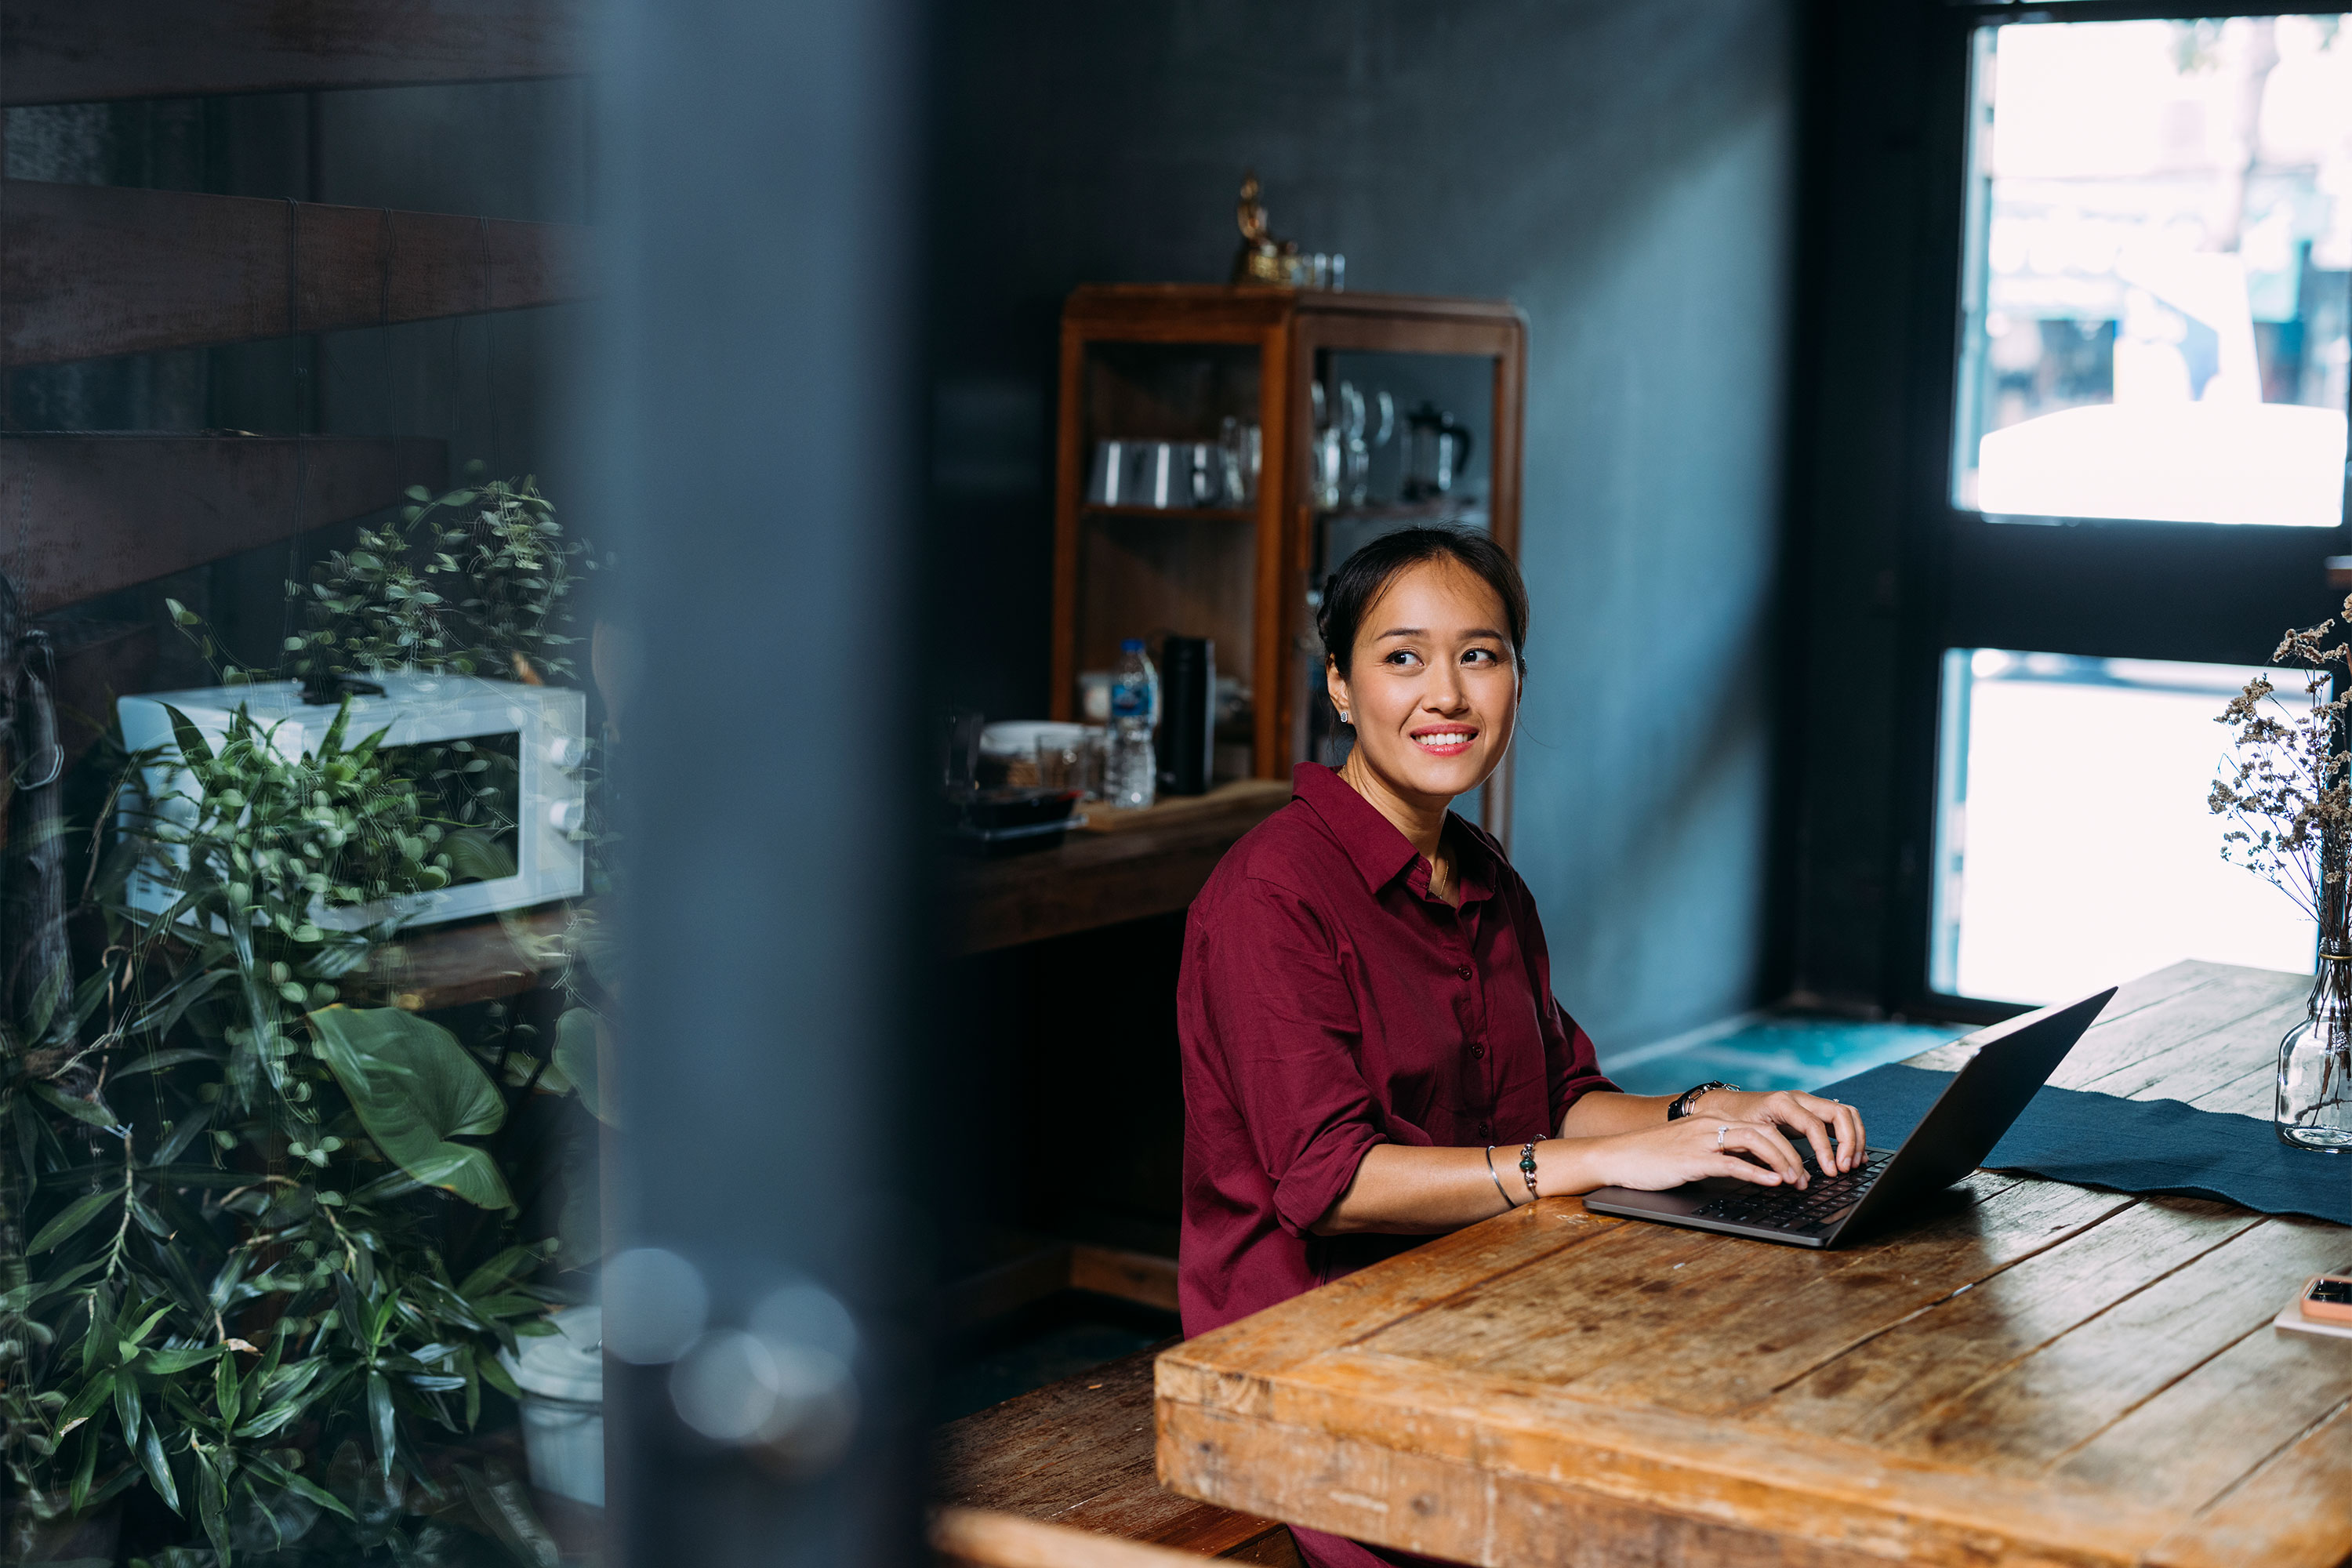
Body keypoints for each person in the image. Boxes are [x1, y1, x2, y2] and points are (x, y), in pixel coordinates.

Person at [1176, 527, 1863, 1568]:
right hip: (1308, 1356)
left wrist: (1708, 1111)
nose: (1447, 693)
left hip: (1478, 1303)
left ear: (1516, 683)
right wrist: (1597, 1164)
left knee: (1773, 1425)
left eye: (1480, 655)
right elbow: (1329, 1183)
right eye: (1403, 656)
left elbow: (1561, 1096)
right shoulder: (1272, 896)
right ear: (1342, 689)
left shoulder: (1481, 875)